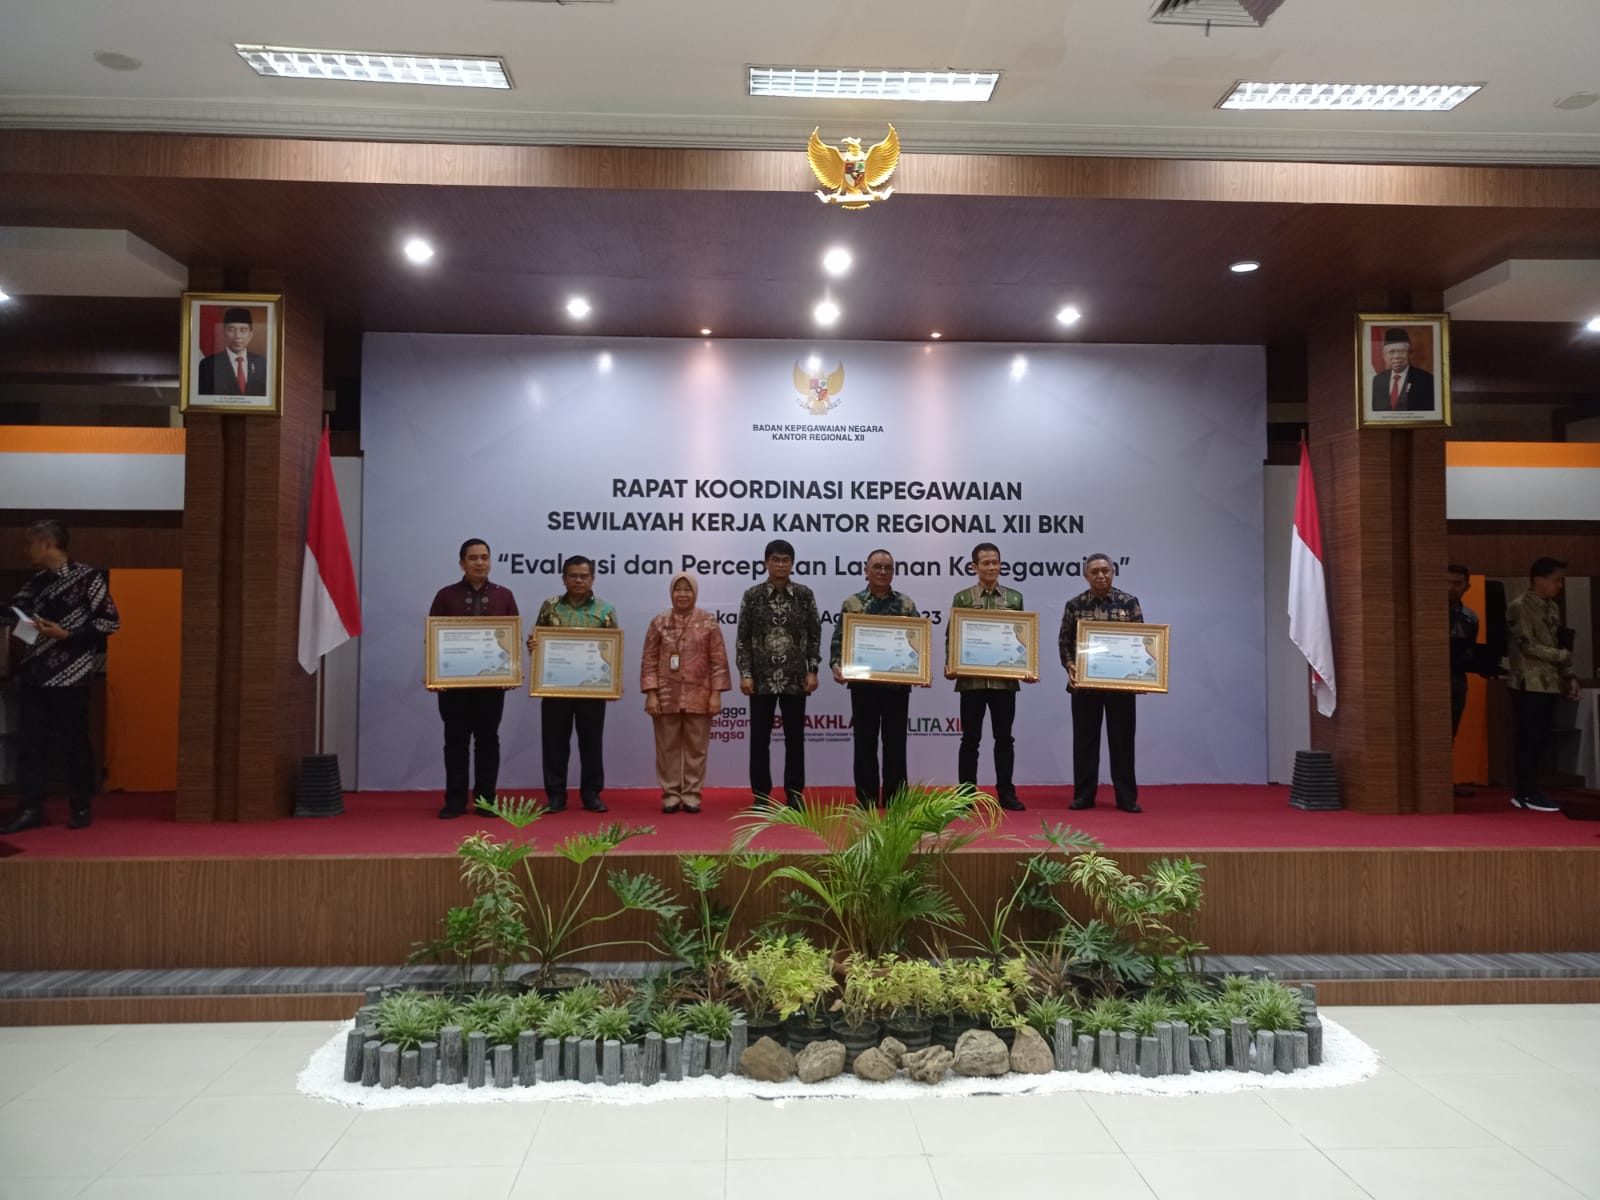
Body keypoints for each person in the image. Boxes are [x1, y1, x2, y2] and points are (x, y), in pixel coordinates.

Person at [1, 521, 120, 832]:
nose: (26, 550)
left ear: (47, 543)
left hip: (71, 675)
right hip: (35, 673)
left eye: (29, 543)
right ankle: (31, 808)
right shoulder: (37, 581)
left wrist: (67, 634)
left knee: (74, 742)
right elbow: (14, 609)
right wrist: (21, 617)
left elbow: (109, 622)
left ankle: (80, 806)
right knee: (31, 744)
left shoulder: (88, 578)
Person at [427, 538, 519, 820]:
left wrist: (511, 672)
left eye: (484, 557)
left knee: (488, 741)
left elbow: (512, 640)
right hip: (453, 687)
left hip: (491, 686)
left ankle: (486, 800)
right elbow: (433, 639)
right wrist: (434, 674)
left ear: (490, 561)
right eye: (473, 558)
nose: (480, 562)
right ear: (462, 563)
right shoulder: (446, 596)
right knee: (455, 742)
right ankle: (455, 800)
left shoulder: (504, 596)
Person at [830, 549, 926, 808]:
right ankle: (866, 798)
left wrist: (920, 668)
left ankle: (895, 799)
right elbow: (839, 640)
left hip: (896, 687)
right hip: (863, 685)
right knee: (864, 743)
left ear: (893, 572)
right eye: (877, 566)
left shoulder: (905, 604)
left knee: (896, 744)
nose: (882, 571)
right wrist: (837, 665)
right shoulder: (853, 604)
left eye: (887, 567)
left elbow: (918, 643)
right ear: (866, 571)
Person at [527, 555, 617, 813]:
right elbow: (538, 640)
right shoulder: (550, 607)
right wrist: (533, 646)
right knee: (554, 743)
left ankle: (591, 794)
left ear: (592, 579)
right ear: (564, 578)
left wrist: (611, 680)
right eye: (573, 576)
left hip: (592, 688)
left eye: (584, 576)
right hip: (555, 687)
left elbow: (612, 650)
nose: (579, 580)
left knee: (591, 743)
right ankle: (556, 795)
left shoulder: (605, 610)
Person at [946, 542, 1031, 812]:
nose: (992, 567)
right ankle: (965, 795)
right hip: (971, 681)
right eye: (986, 563)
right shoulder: (963, 598)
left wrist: (1027, 667)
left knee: (1004, 739)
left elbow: (1023, 637)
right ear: (974, 567)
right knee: (970, 740)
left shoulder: (1014, 598)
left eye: (995, 562)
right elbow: (953, 635)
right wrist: (950, 664)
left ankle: (1006, 793)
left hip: (1004, 681)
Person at [736, 539, 821, 808]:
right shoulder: (752, 596)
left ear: (792, 564)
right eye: (775, 560)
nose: (781, 565)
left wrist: (813, 670)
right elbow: (743, 639)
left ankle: (794, 793)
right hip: (760, 679)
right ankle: (761, 795)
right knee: (759, 740)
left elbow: (814, 636)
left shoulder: (805, 595)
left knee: (795, 740)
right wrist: (745, 673)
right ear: (766, 563)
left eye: (785, 560)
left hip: (795, 678)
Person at [1059, 553, 1145, 813]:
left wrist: (1141, 672)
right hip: (1085, 687)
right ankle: (1084, 796)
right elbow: (1064, 642)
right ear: (1086, 575)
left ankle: (1126, 797)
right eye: (1095, 571)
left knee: (1122, 742)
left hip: (1121, 686)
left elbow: (1141, 641)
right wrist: (1070, 665)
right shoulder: (1075, 605)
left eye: (1105, 570)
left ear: (1113, 572)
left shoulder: (1129, 603)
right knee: (1085, 743)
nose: (1101, 575)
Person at [640, 571, 730, 813]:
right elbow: (649, 659)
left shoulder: (709, 622)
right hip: (665, 695)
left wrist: (716, 694)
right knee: (666, 747)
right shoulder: (659, 622)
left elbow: (718, 660)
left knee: (696, 748)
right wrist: (651, 693)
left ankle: (691, 794)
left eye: (687, 589)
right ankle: (670, 794)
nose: (682, 594)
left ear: (695, 593)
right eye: (677, 589)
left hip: (700, 694)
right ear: (671, 593)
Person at [1506, 556, 1581, 813]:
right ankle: (1524, 791)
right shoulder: (1520, 606)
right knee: (1529, 737)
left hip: (1549, 682)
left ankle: (1533, 788)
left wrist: (1569, 674)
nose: (1559, 586)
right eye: (1556, 580)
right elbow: (1528, 645)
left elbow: (1559, 642)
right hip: (1527, 681)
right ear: (1538, 579)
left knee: (1543, 737)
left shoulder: (1552, 607)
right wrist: (1561, 656)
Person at [196, 307, 268, 396]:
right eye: (231, 329)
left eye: (243, 330)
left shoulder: (262, 364)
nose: (237, 336)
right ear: (223, 333)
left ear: (250, 335)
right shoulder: (208, 365)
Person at [1371, 327, 1435, 413]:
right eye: (1391, 352)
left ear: (1409, 353)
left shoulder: (1426, 380)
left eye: (1402, 351)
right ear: (1384, 355)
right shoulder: (1378, 380)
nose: (1396, 356)